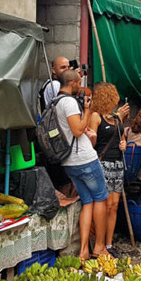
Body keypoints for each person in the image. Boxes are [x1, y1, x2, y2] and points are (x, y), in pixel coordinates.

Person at [54, 69, 109, 260]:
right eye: (78, 82)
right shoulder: (69, 102)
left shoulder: (56, 102)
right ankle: (100, 247)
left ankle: (84, 250)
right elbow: (77, 130)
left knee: (87, 201)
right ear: (72, 83)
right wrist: (88, 110)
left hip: (69, 162)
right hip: (84, 159)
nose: (80, 86)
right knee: (101, 198)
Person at [87, 82, 129, 258]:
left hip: (118, 163)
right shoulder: (95, 116)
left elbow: (123, 137)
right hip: (102, 164)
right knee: (103, 206)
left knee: (113, 206)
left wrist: (124, 144)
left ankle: (109, 244)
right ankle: (100, 243)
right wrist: (94, 138)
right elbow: (90, 144)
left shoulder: (117, 117)